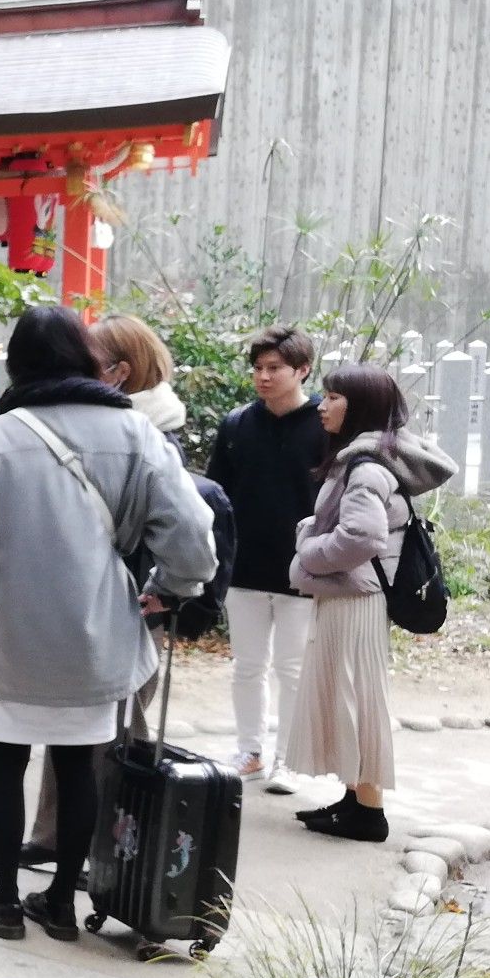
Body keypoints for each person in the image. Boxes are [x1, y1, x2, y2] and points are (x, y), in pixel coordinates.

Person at [0, 305, 217, 941]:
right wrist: (175, 588)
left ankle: (5, 901)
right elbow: (193, 531)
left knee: (6, 763)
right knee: (81, 767)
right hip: (97, 631)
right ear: (85, 359)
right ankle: (59, 902)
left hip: (16, 635)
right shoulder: (136, 434)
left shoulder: (0, 437)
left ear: (17, 365)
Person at [18, 313, 235, 866]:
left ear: (119, 371)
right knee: (80, 727)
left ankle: (113, 852)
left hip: (131, 605)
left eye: (89, 356)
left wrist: (166, 590)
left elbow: (180, 533)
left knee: (113, 734)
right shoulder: (118, 424)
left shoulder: (144, 434)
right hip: (95, 600)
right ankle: (53, 837)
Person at [286, 364, 454, 843]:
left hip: (354, 598)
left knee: (355, 699)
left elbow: (361, 535)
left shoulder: (365, 467)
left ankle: (368, 813)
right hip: (352, 597)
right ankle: (353, 800)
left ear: (360, 407)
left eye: (334, 397)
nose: (322, 405)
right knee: (348, 697)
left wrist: (307, 553)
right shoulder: (368, 461)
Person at [205, 327, 326, 792]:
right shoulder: (237, 424)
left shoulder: (325, 425)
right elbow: (217, 496)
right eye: (257, 368)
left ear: (302, 370)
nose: (263, 376)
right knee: (247, 665)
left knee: (293, 669)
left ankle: (289, 759)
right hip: (244, 566)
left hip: (303, 569)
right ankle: (249, 750)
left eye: (274, 368)